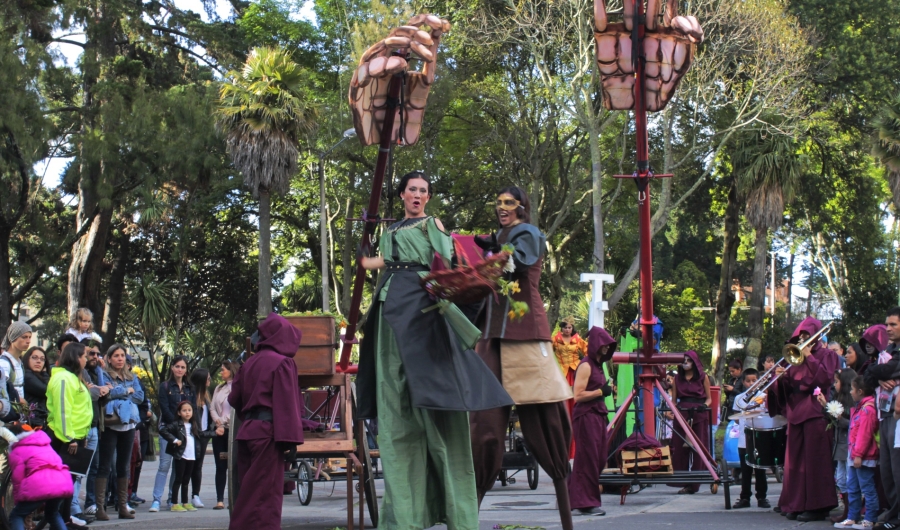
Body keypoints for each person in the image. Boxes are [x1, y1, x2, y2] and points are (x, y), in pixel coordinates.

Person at [356, 172, 513, 530]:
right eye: (412, 189)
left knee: (435, 408)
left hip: (419, 306)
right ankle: (403, 519)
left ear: (427, 197)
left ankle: (457, 514)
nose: (418, 195)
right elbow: (388, 262)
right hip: (387, 305)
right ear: (401, 194)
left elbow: (445, 263)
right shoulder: (391, 229)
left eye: (423, 191)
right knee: (393, 410)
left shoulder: (432, 224)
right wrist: (367, 261)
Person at [468, 186, 573, 530]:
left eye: (509, 202)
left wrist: (493, 253)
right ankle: (469, 515)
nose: (502, 207)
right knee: (484, 428)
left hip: (526, 336)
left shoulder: (527, 233)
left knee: (548, 422)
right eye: (498, 202)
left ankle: (567, 518)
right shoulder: (499, 236)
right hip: (492, 337)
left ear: (522, 207)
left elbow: (519, 260)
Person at [228, 313, 307, 530]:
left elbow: (234, 399)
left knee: (249, 493)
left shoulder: (248, 364)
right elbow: (287, 405)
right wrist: (290, 441)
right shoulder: (283, 363)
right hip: (268, 435)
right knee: (265, 497)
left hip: (247, 432)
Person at [767, 317, 839, 521]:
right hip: (796, 411)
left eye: (807, 335)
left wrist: (810, 357)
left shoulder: (827, 355)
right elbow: (786, 387)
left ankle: (818, 506)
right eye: (801, 336)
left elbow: (824, 379)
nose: (804, 339)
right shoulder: (792, 357)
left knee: (815, 461)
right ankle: (795, 502)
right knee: (794, 462)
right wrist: (779, 380)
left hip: (815, 411)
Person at [568, 326, 615, 516]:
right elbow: (577, 395)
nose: (606, 348)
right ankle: (585, 502)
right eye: (603, 345)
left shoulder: (598, 366)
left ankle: (572, 496)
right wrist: (600, 392)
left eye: (608, 346)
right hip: (586, 415)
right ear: (596, 344)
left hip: (598, 415)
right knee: (587, 459)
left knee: (599, 458)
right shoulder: (586, 365)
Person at [46, 343, 94, 530]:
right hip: (64, 438)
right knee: (61, 483)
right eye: (83, 356)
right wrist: (70, 438)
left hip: (77, 437)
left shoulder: (73, 377)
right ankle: (56, 520)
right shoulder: (64, 378)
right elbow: (62, 410)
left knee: (69, 482)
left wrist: (82, 435)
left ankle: (65, 520)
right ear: (75, 357)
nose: (86, 359)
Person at [94, 344, 143, 520]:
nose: (120, 359)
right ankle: (100, 507)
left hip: (128, 425)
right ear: (109, 358)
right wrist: (125, 390)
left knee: (123, 466)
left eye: (122, 355)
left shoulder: (132, 376)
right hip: (110, 425)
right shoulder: (103, 374)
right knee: (105, 466)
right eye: (116, 355)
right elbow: (105, 395)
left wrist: (118, 392)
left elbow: (139, 397)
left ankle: (122, 505)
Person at [863, 312, 900, 529]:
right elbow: (869, 376)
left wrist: (879, 372)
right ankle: (894, 515)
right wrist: (878, 376)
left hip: (898, 417)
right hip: (885, 415)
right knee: (887, 471)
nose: (888, 328)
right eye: (886, 324)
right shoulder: (888, 351)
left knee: (897, 469)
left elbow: (887, 368)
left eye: (893, 324)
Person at [7, 422, 74, 530]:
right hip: (62, 482)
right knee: (52, 514)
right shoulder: (44, 444)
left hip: (40, 484)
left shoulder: (17, 451)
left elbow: (17, 478)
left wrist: (18, 501)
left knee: (17, 515)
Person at [149, 355, 195, 512]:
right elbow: (164, 408)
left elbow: (193, 409)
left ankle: (172, 499)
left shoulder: (190, 388)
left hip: (185, 432)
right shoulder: (166, 386)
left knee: (179, 467)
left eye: (183, 367)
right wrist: (176, 425)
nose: (180, 370)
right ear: (172, 368)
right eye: (177, 366)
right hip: (169, 430)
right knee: (164, 464)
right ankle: (156, 499)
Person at [834, 375, 880, 529]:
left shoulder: (868, 409)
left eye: (853, 389)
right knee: (852, 487)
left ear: (860, 391)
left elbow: (865, 434)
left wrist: (859, 454)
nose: (851, 392)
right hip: (854, 455)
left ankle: (870, 519)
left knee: (867, 488)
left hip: (862, 456)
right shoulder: (860, 408)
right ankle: (852, 516)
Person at [669, 350, 711, 494]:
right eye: (684, 360)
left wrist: (704, 406)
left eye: (689, 360)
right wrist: (671, 410)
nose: (686, 363)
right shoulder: (676, 379)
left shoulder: (703, 377)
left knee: (699, 447)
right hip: (682, 414)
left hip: (699, 413)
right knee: (680, 448)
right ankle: (683, 480)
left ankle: (695, 483)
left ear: (694, 362)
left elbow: (709, 398)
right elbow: (674, 401)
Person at [160, 401, 214, 512]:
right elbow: (163, 430)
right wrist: (174, 440)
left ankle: (185, 502)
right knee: (178, 479)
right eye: (184, 411)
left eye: (189, 410)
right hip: (181, 455)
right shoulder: (177, 424)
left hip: (192, 456)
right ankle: (174, 503)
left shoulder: (193, 425)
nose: (187, 413)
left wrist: (215, 433)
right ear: (179, 413)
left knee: (186, 480)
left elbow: (202, 434)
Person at [732, 368, 772, 508]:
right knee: (746, 469)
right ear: (743, 382)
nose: (751, 383)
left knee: (760, 468)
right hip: (744, 438)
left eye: (754, 381)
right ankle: (745, 497)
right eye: (748, 381)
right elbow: (736, 417)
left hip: (760, 437)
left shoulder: (764, 396)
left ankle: (762, 497)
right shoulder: (739, 398)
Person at [821, 368, 857, 523]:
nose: (834, 385)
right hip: (839, 445)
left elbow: (852, 425)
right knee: (841, 479)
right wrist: (826, 405)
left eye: (836, 381)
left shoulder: (853, 402)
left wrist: (838, 416)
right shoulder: (838, 398)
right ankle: (847, 512)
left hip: (848, 445)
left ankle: (852, 513)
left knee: (849, 479)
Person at [552, 317, 587, 459]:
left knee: (576, 399)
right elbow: (546, 352)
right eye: (565, 327)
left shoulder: (578, 339)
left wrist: (585, 366)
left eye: (570, 327)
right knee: (563, 403)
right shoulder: (555, 339)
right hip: (561, 373)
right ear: (561, 328)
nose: (568, 330)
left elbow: (589, 351)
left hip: (574, 372)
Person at [210, 361, 237, 510]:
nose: (221, 373)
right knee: (220, 466)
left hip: (232, 429)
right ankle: (219, 499)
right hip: (219, 430)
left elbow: (236, 408)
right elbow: (212, 407)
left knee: (234, 465)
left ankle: (235, 498)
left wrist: (225, 421)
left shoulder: (238, 387)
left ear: (231, 371)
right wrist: (218, 421)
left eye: (223, 370)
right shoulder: (219, 388)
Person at [188, 368, 212, 508]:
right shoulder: (191, 397)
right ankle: (178, 497)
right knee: (187, 467)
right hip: (193, 436)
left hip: (204, 436)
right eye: (208, 378)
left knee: (198, 467)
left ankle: (195, 495)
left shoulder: (206, 397)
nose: (210, 381)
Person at [1, 321, 32, 405]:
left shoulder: (19, 362)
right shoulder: (4, 363)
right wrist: (22, 401)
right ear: (13, 338)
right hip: (7, 414)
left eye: (30, 337)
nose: (28, 341)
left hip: (18, 414)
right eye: (24, 337)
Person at [22, 347, 50, 428]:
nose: (39, 361)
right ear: (27, 359)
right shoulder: (27, 376)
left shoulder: (38, 376)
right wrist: (45, 374)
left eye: (42, 359)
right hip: (31, 423)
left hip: (38, 421)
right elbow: (47, 391)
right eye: (34, 358)